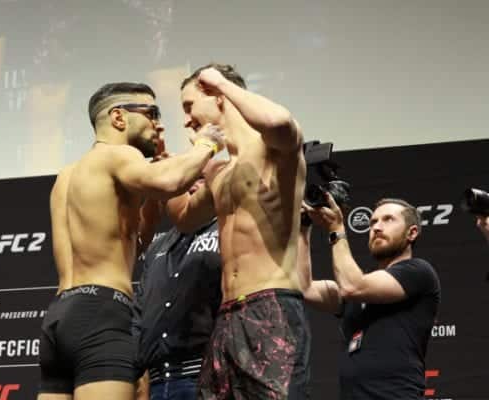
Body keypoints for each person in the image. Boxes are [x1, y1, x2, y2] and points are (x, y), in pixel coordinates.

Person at [37, 81, 225, 400]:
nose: (159, 123)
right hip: (101, 314)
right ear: (119, 118)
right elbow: (170, 181)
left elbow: (135, 240)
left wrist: (150, 189)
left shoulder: (67, 176)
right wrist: (207, 145)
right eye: (151, 113)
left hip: (61, 316)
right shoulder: (118, 155)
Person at [168, 63, 310, 399]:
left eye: (189, 106)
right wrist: (170, 159)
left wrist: (219, 81)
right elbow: (184, 218)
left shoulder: (273, 148)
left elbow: (278, 121)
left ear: (216, 96)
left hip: (270, 306)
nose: (186, 119)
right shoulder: (218, 169)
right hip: (227, 316)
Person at [299, 196, 441, 399]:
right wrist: (304, 228)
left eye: (388, 219)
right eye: (373, 222)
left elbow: (352, 286)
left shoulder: (418, 272)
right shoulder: (361, 289)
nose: (377, 227)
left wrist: (336, 229)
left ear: (412, 233)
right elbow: (305, 288)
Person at [133, 179, 222, 400]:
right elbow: (140, 312)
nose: (192, 186)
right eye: (186, 181)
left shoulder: (227, 230)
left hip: (205, 379)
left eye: (201, 178)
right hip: (156, 383)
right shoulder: (156, 247)